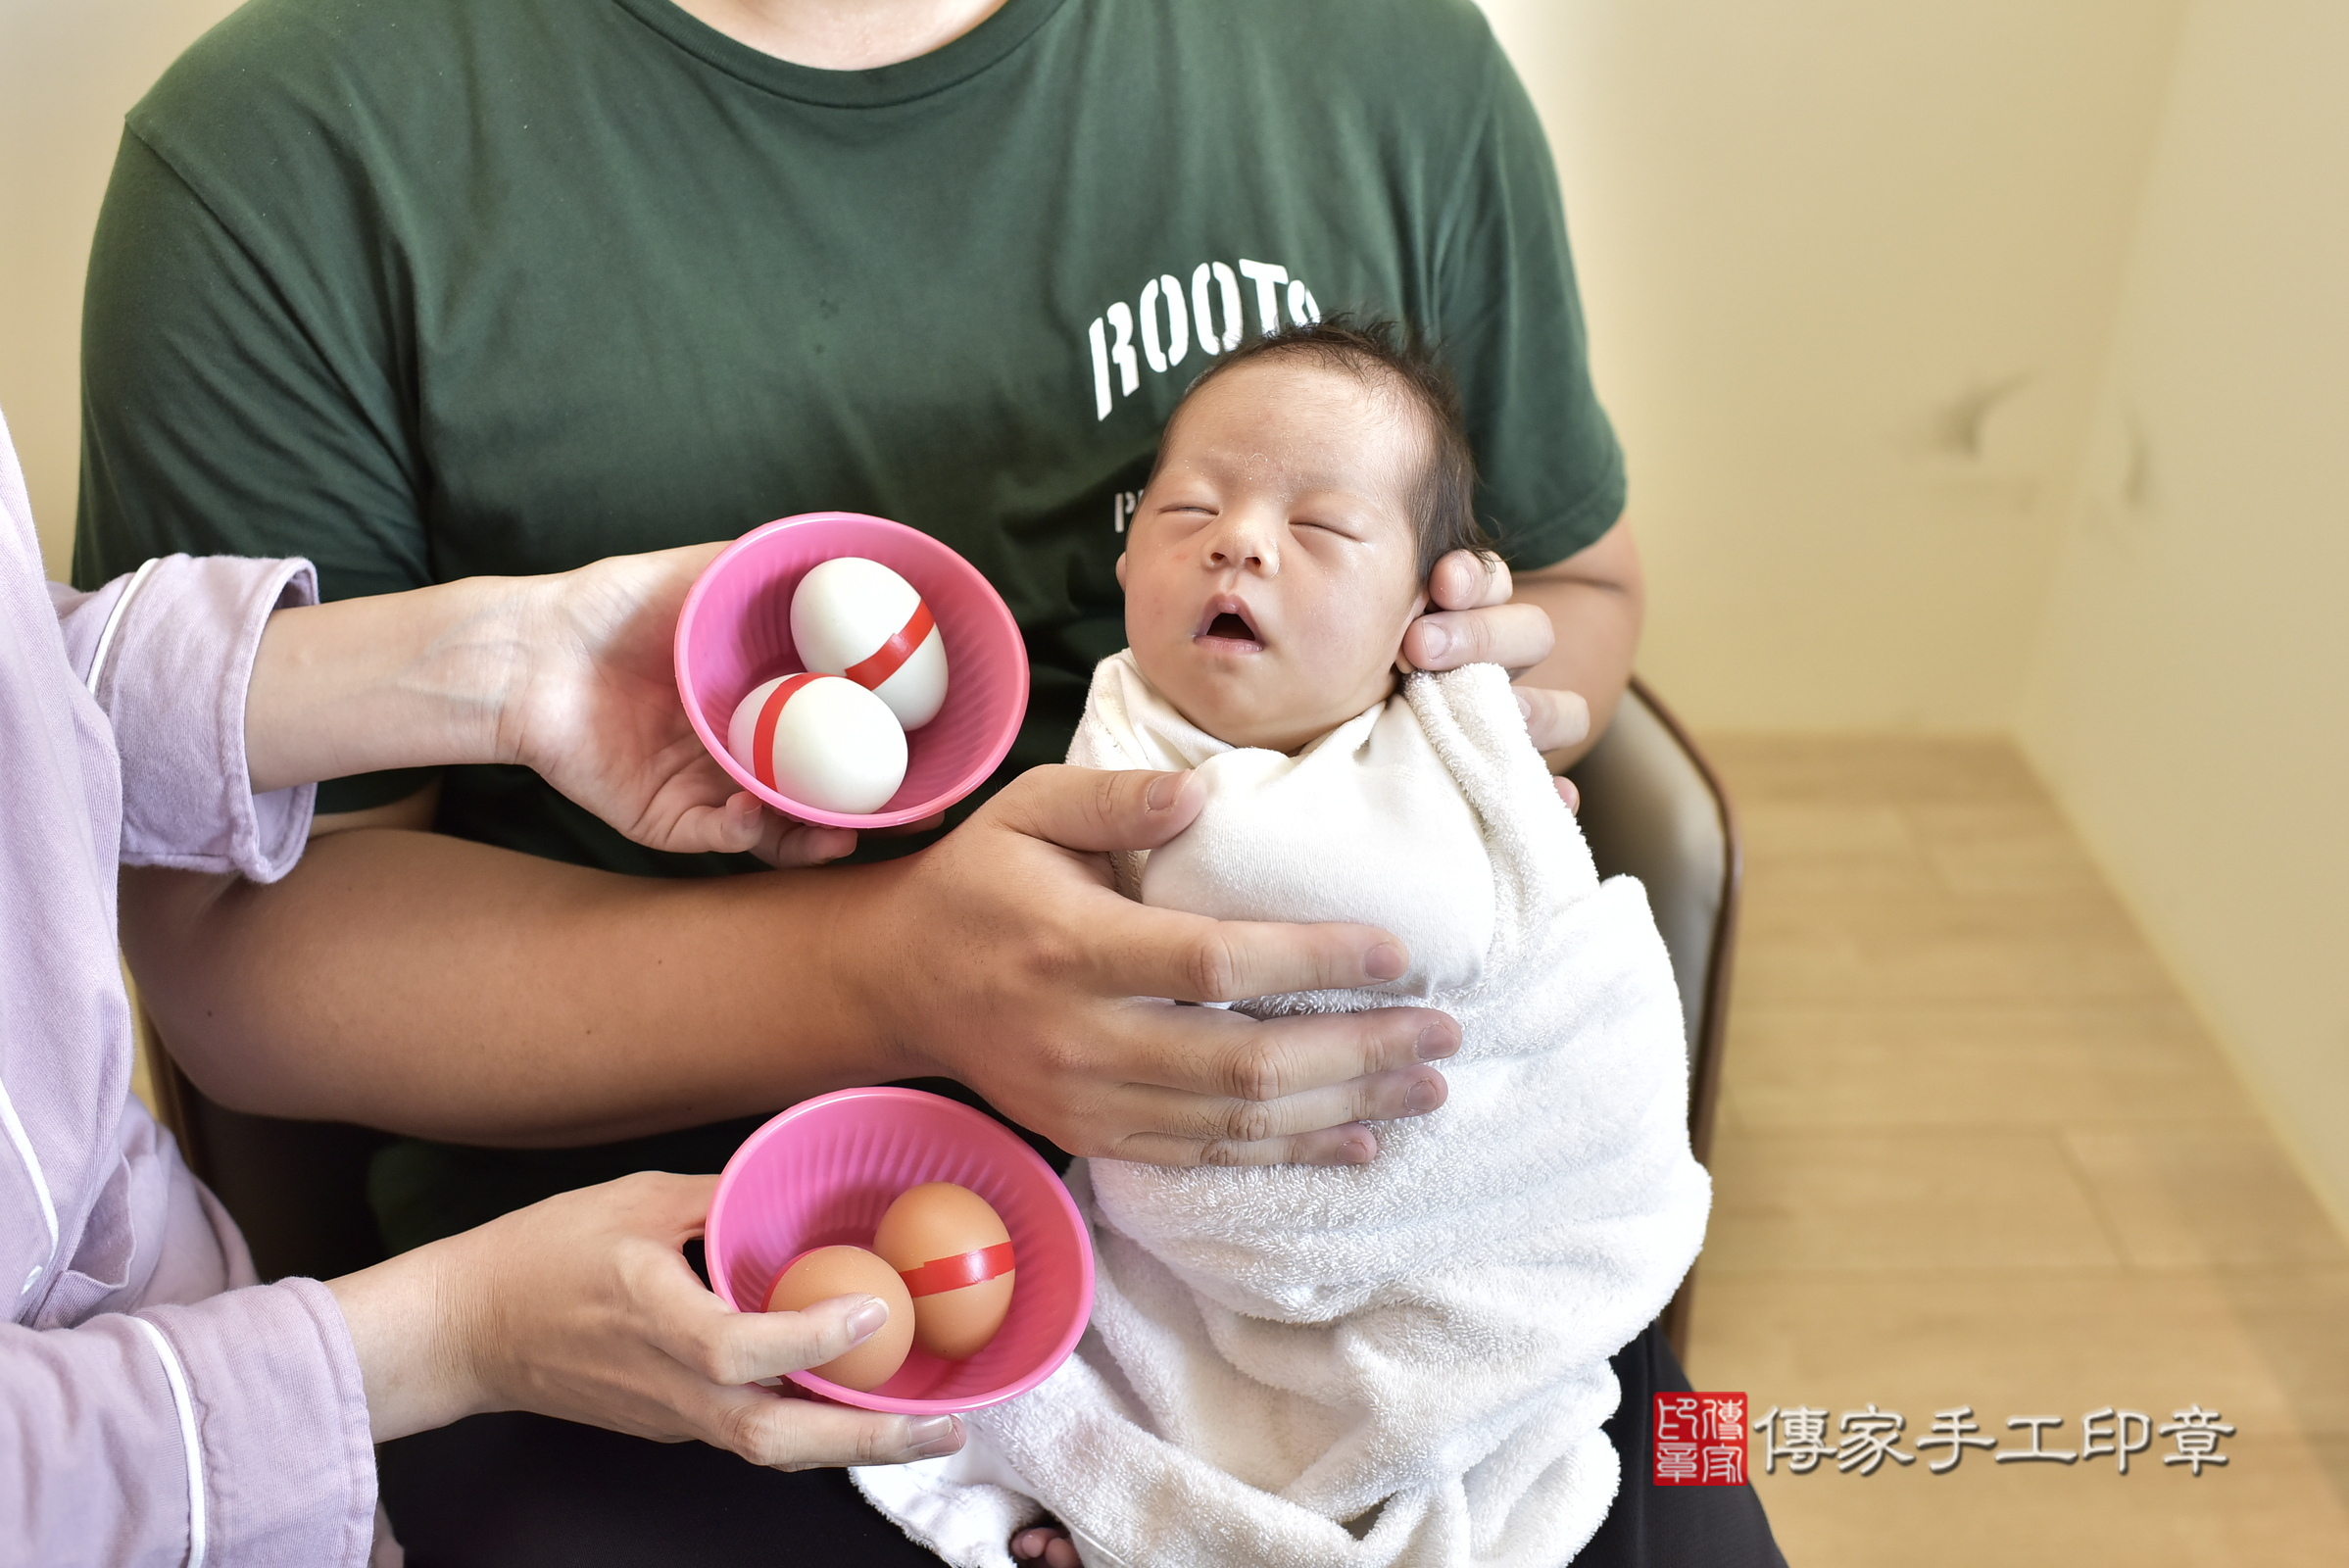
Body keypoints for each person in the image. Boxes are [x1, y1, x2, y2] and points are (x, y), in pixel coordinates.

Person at [73, 0, 1650, 1554]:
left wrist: (1463, 737)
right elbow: (235, 945)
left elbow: (1580, 597)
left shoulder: (1381, 60)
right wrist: (893, 975)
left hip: (1350, 1257)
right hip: (663, 1286)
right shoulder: (299, 143)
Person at [855, 321, 1770, 1567]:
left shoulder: (1451, 747)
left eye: (1324, 529)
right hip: (1191, 1241)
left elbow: (1444, 933)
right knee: (1107, 1363)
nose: (1240, 539)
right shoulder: (1123, 737)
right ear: (1126, 570)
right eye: (1189, 509)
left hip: (1471, 1208)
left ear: (1425, 609)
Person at [0, 407, 967, 1566]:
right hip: (192, 1445)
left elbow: (28, 706)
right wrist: (457, 1334)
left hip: (200, 1344)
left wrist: (515, 665)